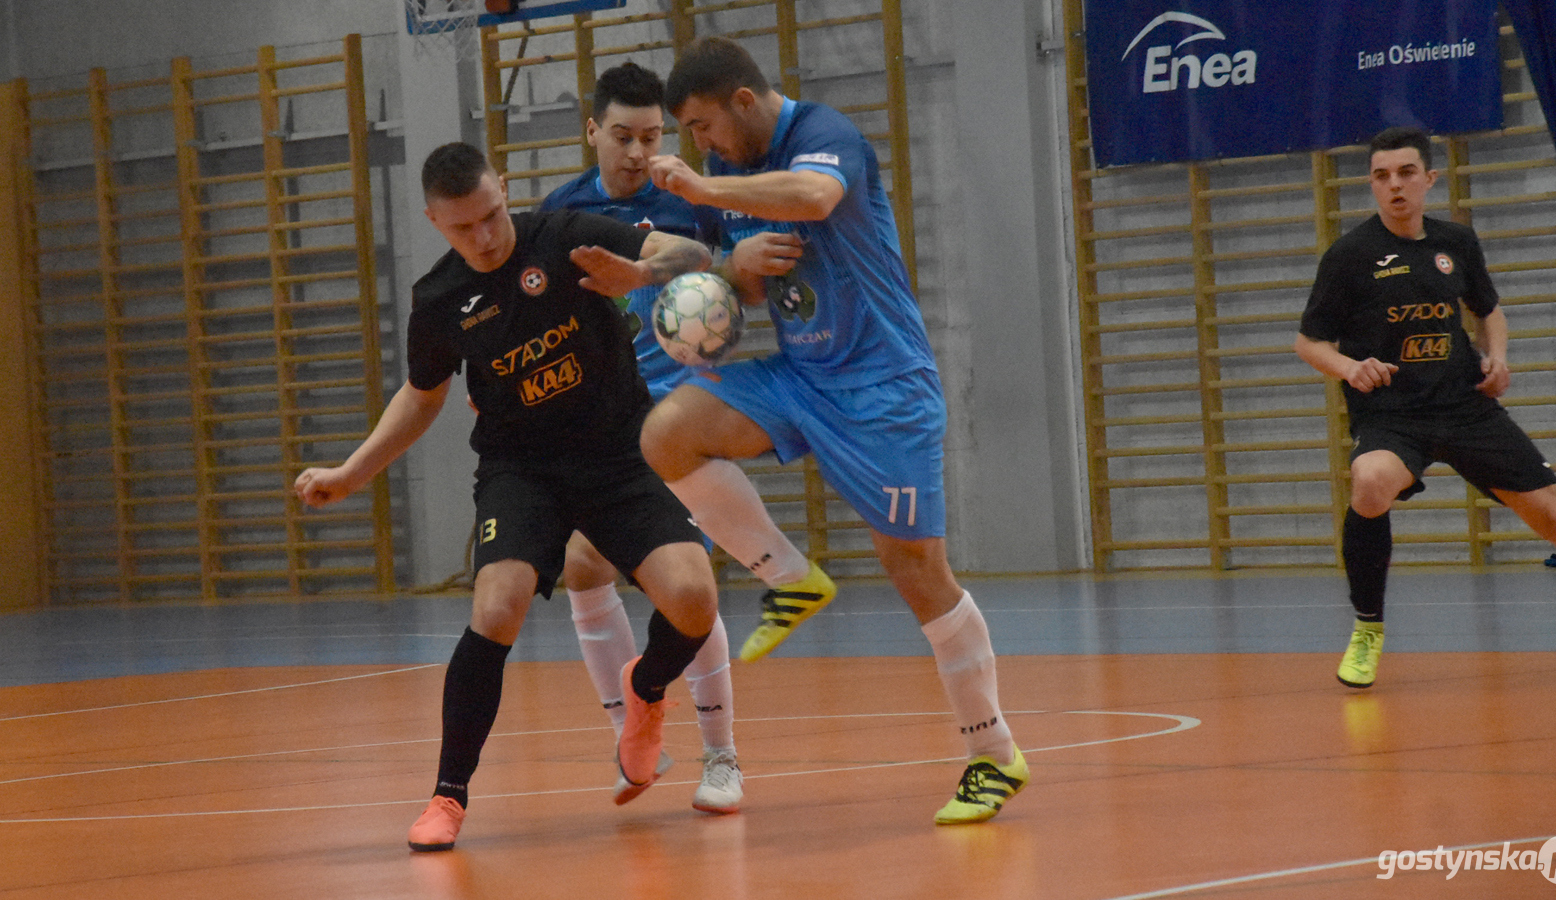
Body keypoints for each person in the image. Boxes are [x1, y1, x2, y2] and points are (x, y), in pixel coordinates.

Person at [640, 37, 1027, 825]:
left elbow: (814, 199)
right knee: (669, 432)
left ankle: (995, 757)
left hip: (882, 390)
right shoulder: (745, 171)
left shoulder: (825, 134)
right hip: (800, 377)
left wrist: (707, 187)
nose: (699, 143)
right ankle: (790, 577)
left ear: (743, 103)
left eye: (703, 124)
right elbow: (738, 281)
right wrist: (734, 268)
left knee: (916, 571)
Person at [295, 141, 719, 851]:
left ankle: (645, 688)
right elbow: (421, 397)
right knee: (496, 606)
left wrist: (640, 272)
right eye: (465, 227)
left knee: (694, 599)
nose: (486, 236)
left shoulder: (569, 236)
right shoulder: (438, 300)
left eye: (492, 215)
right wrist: (351, 473)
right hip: (522, 469)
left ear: (505, 189)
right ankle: (447, 796)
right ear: (436, 222)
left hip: (619, 454)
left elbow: (696, 255)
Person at [537, 60, 825, 814]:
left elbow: (742, 274)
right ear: (592, 131)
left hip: (677, 413)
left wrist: (730, 271)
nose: (637, 152)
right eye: (623, 136)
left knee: (685, 588)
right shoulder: (558, 213)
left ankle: (723, 757)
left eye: (653, 137)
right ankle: (633, 731)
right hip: (597, 425)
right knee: (583, 569)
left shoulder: (693, 199)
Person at [1296, 124, 1556, 689]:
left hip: (1465, 408)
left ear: (1429, 179)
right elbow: (1309, 342)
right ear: (1372, 185)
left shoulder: (1456, 243)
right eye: (1382, 176)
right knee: (1368, 481)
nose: (1395, 186)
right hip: (1393, 415)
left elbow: (1488, 310)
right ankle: (1367, 629)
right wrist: (1349, 367)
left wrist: (1498, 356)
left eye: (1407, 173)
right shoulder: (1349, 256)